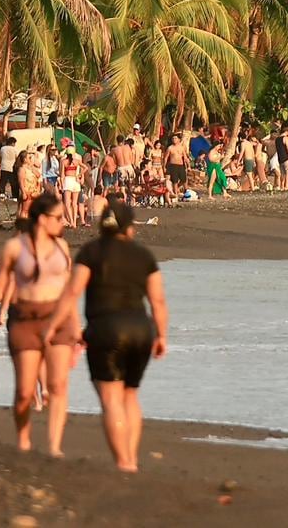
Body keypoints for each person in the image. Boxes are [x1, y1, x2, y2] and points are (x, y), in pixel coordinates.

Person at [46, 198, 167, 472]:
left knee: (111, 399)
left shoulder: (90, 252)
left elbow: (72, 292)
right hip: (140, 329)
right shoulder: (143, 255)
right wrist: (161, 335)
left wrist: (53, 326)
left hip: (106, 329)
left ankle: (123, 462)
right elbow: (158, 301)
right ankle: (132, 460)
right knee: (130, 396)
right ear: (129, 228)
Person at [0, 193, 76, 456]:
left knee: (57, 386)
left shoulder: (62, 247)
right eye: (58, 218)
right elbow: (0, 286)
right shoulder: (15, 247)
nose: (62, 222)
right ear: (42, 219)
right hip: (25, 320)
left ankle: (54, 446)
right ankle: (23, 441)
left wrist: (76, 328)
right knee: (24, 391)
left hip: (57, 319)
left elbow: (69, 291)